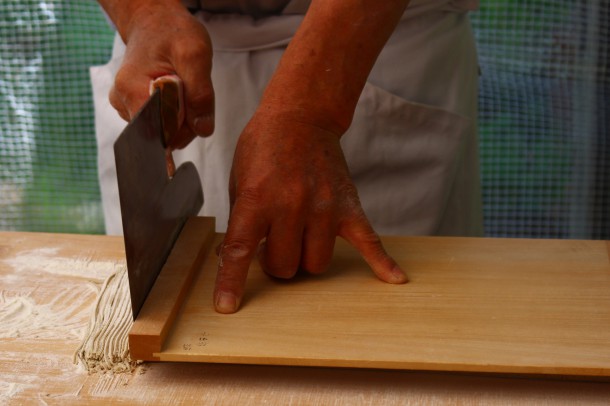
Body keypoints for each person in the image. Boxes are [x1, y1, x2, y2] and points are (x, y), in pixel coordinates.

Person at [92, 0, 483, 314]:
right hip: (157, 54)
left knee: (399, 329)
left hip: (366, 38)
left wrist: (311, 114)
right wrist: (143, 12)